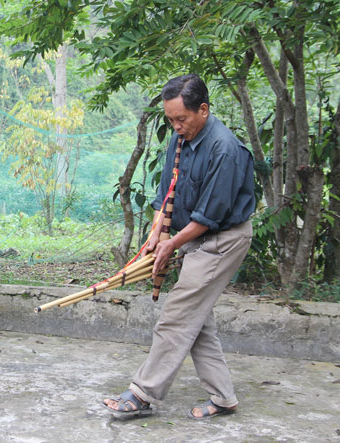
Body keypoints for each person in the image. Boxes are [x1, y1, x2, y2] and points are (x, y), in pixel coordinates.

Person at [103, 74, 255, 419]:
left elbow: (208, 217)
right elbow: (165, 195)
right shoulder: (180, 138)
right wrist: (157, 232)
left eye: (181, 119)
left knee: (176, 316)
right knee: (197, 321)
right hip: (193, 236)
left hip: (221, 241)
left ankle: (143, 393)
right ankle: (223, 398)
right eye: (170, 119)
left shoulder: (225, 149)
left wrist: (171, 243)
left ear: (203, 109)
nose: (175, 126)